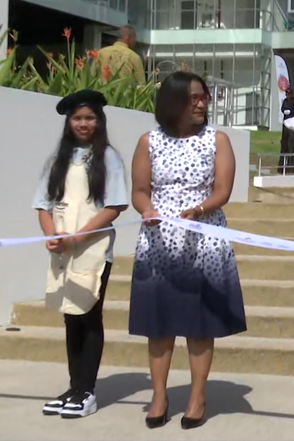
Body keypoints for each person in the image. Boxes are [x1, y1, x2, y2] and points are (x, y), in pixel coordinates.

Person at [129, 71, 246, 430]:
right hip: (159, 243)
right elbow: (139, 189)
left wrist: (199, 209)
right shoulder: (148, 141)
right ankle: (160, 395)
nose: (201, 103)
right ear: (172, 102)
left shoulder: (218, 140)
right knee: (159, 323)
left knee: (199, 324)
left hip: (204, 240)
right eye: (193, 98)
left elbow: (223, 189)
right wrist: (146, 209)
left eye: (203, 97)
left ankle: (197, 396)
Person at [34, 90, 128, 419]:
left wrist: (77, 237)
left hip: (92, 250)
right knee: (69, 315)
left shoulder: (108, 158)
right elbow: (43, 206)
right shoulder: (58, 160)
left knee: (88, 315)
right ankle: (74, 387)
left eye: (90, 118)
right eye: (77, 118)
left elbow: (114, 206)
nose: (83, 124)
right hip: (63, 250)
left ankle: (87, 390)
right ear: (68, 122)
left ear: (99, 121)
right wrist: (53, 236)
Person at [279, 87, 294, 174]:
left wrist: (291, 112)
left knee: (291, 146)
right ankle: (282, 167)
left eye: (289, 94)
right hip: (285, 125)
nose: (288, 95)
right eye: (286, 94)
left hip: (292, 126)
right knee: (284, 146)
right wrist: (285, 111)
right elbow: (282, 109)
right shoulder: (285, 101)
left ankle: (291, 167)